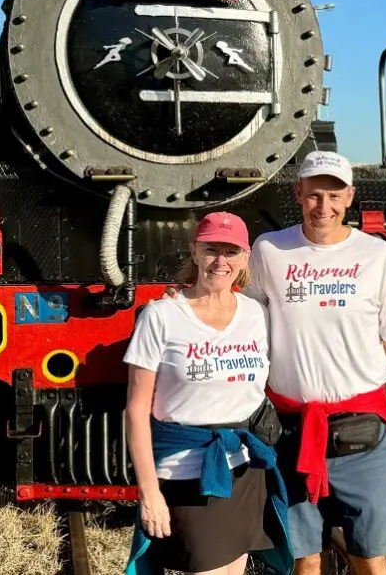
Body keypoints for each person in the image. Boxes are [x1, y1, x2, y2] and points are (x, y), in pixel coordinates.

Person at [166, 151, 386, 575]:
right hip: (290, 429)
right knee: (304, 556)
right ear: (298, 193)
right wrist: (183, 306)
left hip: (361, 426)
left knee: (370, 556)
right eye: (314, 195)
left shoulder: (376, 255)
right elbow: (235, 312)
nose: (323, 206)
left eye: (334, 195)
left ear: (349, 197)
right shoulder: (271, 250)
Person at [123, 212, 294, 575]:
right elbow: (136, 412)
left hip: (245, 472)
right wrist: (149, 493)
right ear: (195, 252)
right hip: (188, 476)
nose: (220, 261)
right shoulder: (161, 316)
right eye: (211, 249)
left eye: (231, 251)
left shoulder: (255, 313)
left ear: (245, 257)